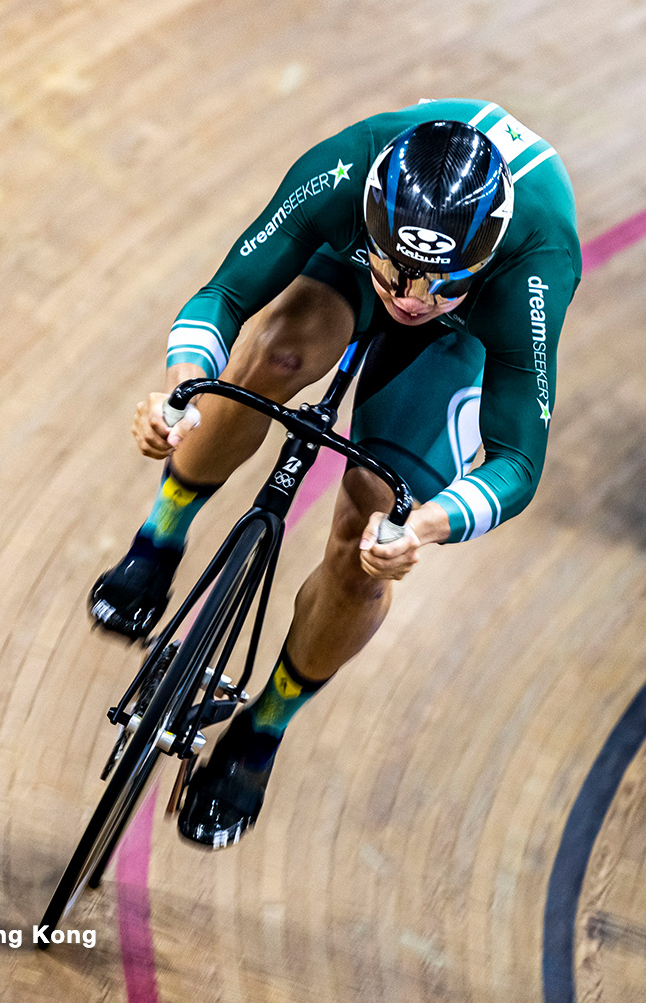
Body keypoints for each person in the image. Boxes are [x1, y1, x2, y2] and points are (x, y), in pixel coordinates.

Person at [89, 101, 580, 848]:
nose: (413, 300)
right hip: (351, 266)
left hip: (463, 341)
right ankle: (161, 535)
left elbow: (518, 459)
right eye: (402, 274)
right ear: (374, 218)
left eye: (440, 283)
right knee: (272, 358)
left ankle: (266, 725)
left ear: (484, 261)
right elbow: (225, 295)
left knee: (369, 529)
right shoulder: (345, 170)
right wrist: (180, 392)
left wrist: (422, 525)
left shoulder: (534, 264)